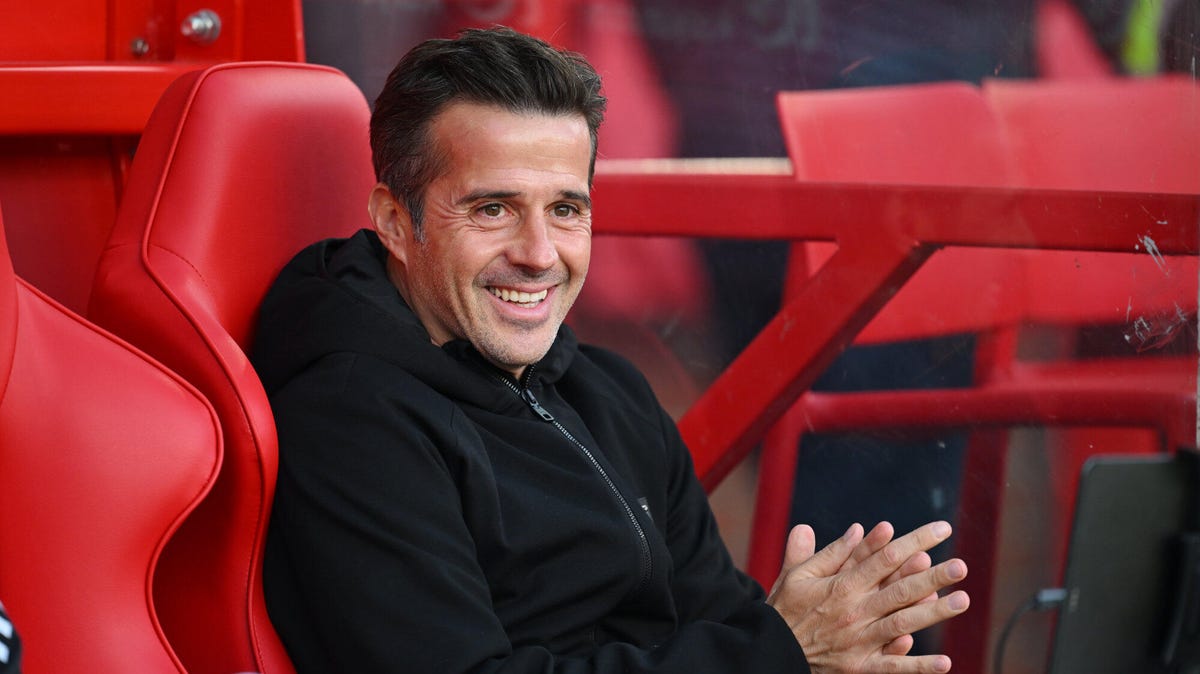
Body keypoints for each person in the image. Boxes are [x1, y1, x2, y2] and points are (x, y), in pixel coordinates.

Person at [251, 26, 969, 673]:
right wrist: (779, 651)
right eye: (492, 209)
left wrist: (822, 645)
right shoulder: (353, 420)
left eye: (566, 210)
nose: (538, 255)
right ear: (394, 223)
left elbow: (716, 615)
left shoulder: (606, 391)